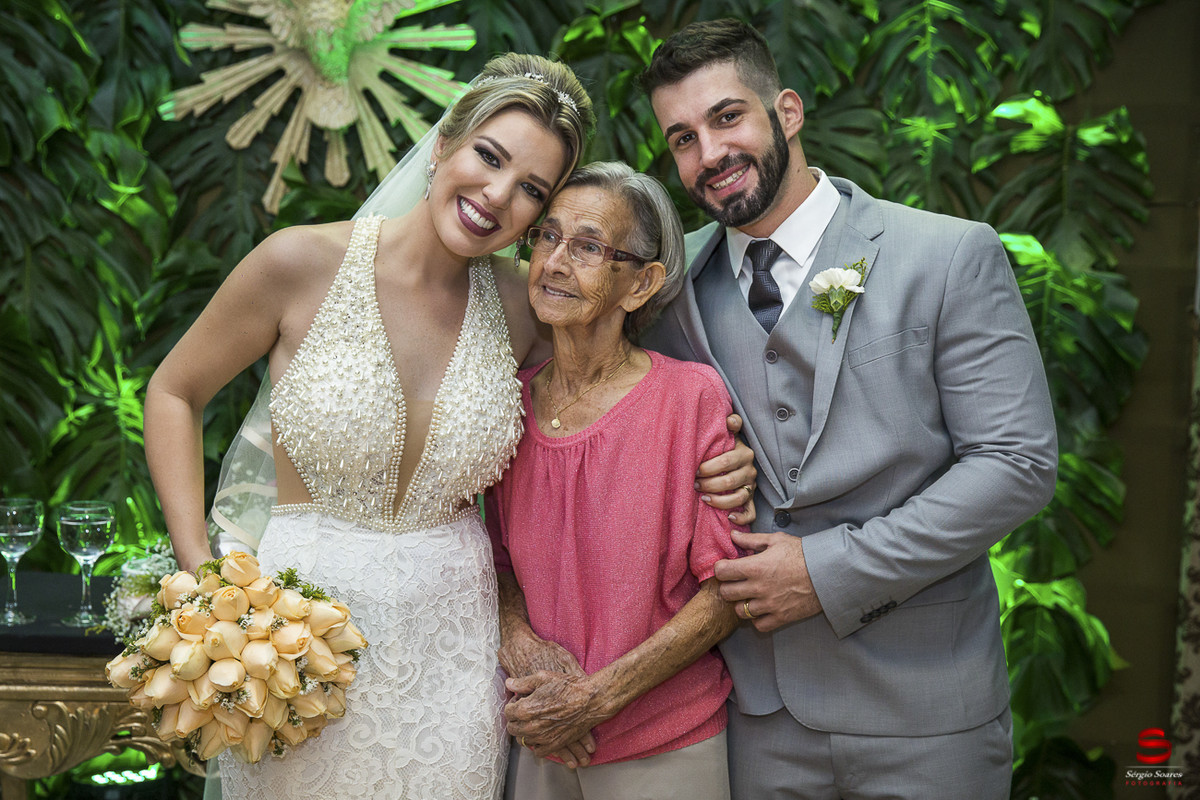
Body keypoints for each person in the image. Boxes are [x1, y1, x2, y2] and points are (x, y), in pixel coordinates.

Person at [146, 52, 755, 798]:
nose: (497, 195)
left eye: (531, 189)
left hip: (456, 654)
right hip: (293, 636)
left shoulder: (526, 307)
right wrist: (201, 580)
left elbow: (620, 387)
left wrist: (718, 453)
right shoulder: (298, 263)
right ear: (441, 145)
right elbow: (174, 392)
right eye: (488, 157)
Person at [638, 19, 1059, 800]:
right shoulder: (667, 293)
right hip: (756, 717)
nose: (709, 154)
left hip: (927, 710)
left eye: (728, 117)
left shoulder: (946, 255)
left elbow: (1017, 465)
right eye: (683, 138)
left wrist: (829, 572)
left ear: (787, 111)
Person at [485, 161, 742, 800]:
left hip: (663, 740)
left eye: (590, 247)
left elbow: (727, 592)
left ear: (641, 284)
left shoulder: (690, 399)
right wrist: (519, 643)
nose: (555, 261)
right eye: (548, 236)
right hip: (539, 731)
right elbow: (492, 558)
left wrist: (594, 700)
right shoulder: (506, 405)